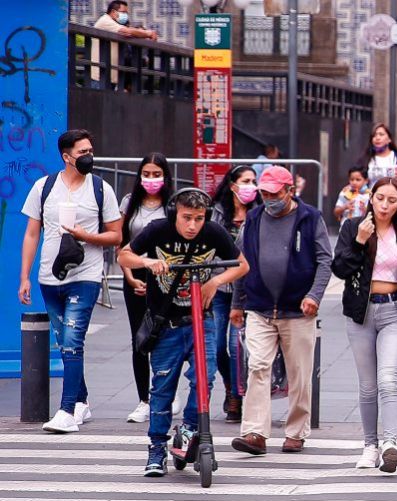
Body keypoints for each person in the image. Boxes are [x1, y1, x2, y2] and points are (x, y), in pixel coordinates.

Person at [117, 188, 249, 477]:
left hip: (202, 321)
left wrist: (215, 283)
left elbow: (242, 265)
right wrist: (148, 262)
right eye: (187, 218)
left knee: (206, 379)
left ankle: (190, 428)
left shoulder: (214, 233)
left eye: (199, 218)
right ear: (176, 214)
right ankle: (156, 448)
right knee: (162, 387)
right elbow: (124, 256)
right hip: (166, 324)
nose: (193, 225)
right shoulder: (157, 230)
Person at [19, 129, 124, 433]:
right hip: (49, 278)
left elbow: (116, 235)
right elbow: (31, 233)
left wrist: (85, 236)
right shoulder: (44, 187)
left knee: (72, 341)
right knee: (63, 341)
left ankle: (66, 411)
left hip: (86, 276)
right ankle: (82, 402)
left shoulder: (101, 189)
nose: (89, 156)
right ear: (66, 157)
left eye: (91, 150)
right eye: (82, 152)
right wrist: (24, 277)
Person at [333, 177, 397, 473]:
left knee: (388, 380)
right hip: (361, 314)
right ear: (371, 198)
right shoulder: (354, 227)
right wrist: (359, 242)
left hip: (395, 311)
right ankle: (370, 445)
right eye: (380, 198)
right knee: (368, 387)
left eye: (392, 200)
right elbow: (340, 268)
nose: (384, 205)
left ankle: (390, 443)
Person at [227, 166, 332, 456]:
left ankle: (296, 432)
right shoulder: (254, 217)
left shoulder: (310, 218)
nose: (269, 198)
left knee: (299, 373)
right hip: (259, 307)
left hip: (298, 309)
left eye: (275, 193)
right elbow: (242, 262)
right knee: (257, 366)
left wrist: (314, 295)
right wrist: (237, 303)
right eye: (264, 193)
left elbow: (325, 260)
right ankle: (255, 432)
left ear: (289, 190)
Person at [119, 153, 175, 423]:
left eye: (157, 174)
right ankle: (144, 399)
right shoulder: (129, 203)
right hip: (135, 271)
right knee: (139, 339)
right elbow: (122, 244)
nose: (151, 180)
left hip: (164, 276)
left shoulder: (172, 206)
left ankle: (166, 393)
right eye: (147, 174)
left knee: (165, 336)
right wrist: (130, 277)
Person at [209, 166, 260, 423]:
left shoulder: (259, 212)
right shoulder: (218, 212)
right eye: (245, 181)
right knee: (217, 346)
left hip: (247, 291)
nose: (251, 186)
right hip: (219, 287)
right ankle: (231, 386)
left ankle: (237, 397)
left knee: (236, 346)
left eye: (254, 181)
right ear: (232, 185)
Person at [360, 123, 397, 198]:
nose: (377, 138)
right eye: (374, 135)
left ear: (389, 139)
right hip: (371, 201)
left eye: (381, 134)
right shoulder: (365, 159)